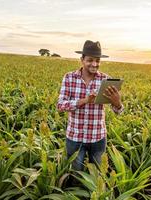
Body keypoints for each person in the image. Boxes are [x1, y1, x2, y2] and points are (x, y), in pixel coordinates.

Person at [57, 40, 124, 171]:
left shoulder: (105, 80)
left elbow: (118, 111)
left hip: (97, 137)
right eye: (90, 60)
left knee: (98, 173)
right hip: (75, 137)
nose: (94, 64)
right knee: (76, 174)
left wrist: (117, 103)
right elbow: (60, 106)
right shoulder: (69, 78)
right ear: (82, 59)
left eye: (97, 61)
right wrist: (84, 101)